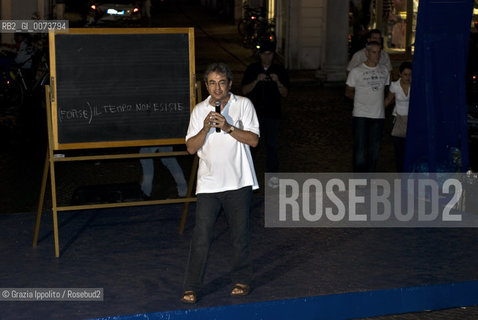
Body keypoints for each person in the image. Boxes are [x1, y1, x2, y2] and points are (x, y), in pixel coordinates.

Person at [182, 62, 260, 304]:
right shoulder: (199, 110)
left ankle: (242, 280)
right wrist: (205, 128)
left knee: (240, 235)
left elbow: (254, 140)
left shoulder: (244, 105)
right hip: (208, 185)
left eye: (222, 82)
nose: (217, 88)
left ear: (230, 84)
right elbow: (190, 148)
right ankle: (192, 286)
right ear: (206, 85)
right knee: (201, 236)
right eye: (212, 83)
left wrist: (227, 127)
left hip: (238, 182)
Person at [241, 40, 288, 187]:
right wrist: (256, 80)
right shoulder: (252, 69)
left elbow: (285, 93)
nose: (267, 57)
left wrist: (278, 82)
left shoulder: (279, 70)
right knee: (251, 146)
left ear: (273, 55)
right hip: (254, 114)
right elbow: (244, 91)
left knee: (271, 146)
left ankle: (273, 176)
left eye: (270, 54)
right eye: (264, 54)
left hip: (273, 114)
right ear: (259, 55)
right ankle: (248, 177)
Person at [345, 41, 390, 172]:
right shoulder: (357, 71)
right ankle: (359, 178)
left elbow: (387, 90)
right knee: (360, 148)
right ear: (367, 53)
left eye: (379, 52)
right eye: (373, 52)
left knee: (374, 149)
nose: (377, 55)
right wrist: (360, 99)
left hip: (378, 116)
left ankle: (370, 176)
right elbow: (348, 92)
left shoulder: (384, 70)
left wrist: (385, 102)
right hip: (361, 115)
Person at [385, 61, 412, 172]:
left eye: (410, 74)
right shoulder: (395, 86)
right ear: (400, 74)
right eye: (405, 74)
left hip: (411, 121)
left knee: (409, 149)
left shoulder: (415, 85)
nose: (407, 77)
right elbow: (388, 100)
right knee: (399, 150)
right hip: (398, 120)